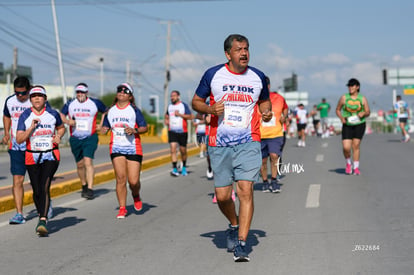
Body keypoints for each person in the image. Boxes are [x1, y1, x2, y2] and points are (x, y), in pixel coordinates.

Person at [192, 34, 272, 262]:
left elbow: (264, 101)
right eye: (239, 50)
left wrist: (266, 112)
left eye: (246, 49)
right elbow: (196, 101)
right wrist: (210, 110)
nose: (244, 53)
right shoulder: (213, 74)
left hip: (249, 141)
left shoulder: (257, 77)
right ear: (228, 54)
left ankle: (242, 243)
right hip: (220, 143)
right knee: (223, 195)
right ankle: (234, 224)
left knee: (245, 190)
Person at [16, 85, 65, 236]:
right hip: (32, 156)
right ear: (30, 100)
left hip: (50, 155)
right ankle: (42, 213)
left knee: (44, 185)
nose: (37, 98)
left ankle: (42, 220)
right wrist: (31, 128)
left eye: (40, 95)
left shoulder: (52, 114)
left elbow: (61, 128)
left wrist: (59, 136)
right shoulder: (25, 115)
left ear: (45, 99)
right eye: (33, 96)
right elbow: (19, 139)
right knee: (37, 190)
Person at [2, 76, 52, 224]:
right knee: (18, 180)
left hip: (36, 146)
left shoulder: (38, 101)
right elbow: (6, 116)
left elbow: (51, 119)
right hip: (17, 146)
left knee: (39, 181)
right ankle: (19, 213)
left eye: (23, 93)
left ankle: (45, 203)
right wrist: (6, 133)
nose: (20, 96)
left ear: (29, 90)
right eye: (17, 93)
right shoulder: (10, 101)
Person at [101, 83, 148, 219]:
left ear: (130, 96)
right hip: (116, 147)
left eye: (125, 91)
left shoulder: (134, 110)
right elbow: (105, 127)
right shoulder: (111, 111)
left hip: (133, 147)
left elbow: (144, 127)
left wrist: (134, 130)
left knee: (133, 181)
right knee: (121, 178)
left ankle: (136, 195)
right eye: (119, 90)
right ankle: (122, 208)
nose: (121, 93)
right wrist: (104, 129)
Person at [60, 83, 107, 199]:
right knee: (80, 164)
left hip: (90, 136)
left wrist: (101, 124)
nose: (80, 94)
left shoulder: (95, 103)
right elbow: (60, 114)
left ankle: (90, 189)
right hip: (75, 137)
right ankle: (84, 185)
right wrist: (67, 122)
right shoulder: (70, 103)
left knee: (88, 162)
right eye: (78, 92)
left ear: (87, 93)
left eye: (83, 92)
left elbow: (106, 111)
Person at [259, 76, 288, 193]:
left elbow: (286, 109)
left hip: (275, 134)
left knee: (274, 156)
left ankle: (274, 181)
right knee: (262, 161)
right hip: (260, 135)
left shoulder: (279, 98)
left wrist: (284, 116)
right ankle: (265, 182)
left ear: (269, 86)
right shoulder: (256, 100)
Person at [335, 78, 370, 175]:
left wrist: (364, 113)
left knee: (356, 145)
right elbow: (338, 109)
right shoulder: (344, 98)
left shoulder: (362, 98)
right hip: (347, 124)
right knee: (346, 147)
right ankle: (348, 163)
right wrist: (341, 118)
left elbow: (368, 112)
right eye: (349, 86)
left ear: (357, 87)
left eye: (352, 86)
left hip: (359, 124)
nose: (350, 88)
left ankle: (356, 167)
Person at [164, 90, 193, 177]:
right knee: (173, 149)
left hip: (182, 131)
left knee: (183, 151)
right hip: (172, 131)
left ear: (178, 96)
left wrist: (180, 115)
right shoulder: (169, 106)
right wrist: (166, 120)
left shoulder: (183, 106)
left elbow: (190, 116)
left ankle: (184, 167)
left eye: (174, 96)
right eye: (171, 96)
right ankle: (174, 168)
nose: (172, 97)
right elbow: (167, 115)